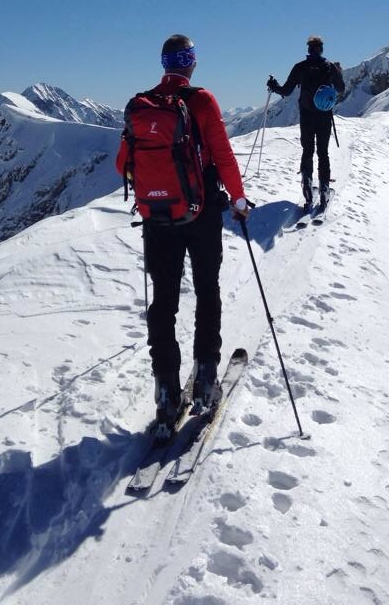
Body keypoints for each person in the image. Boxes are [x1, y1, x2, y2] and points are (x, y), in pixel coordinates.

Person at [123, 34, 249, 437]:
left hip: (157, 218)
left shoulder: (142, 104)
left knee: (163, 304)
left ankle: (165, 394)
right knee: (207, 289)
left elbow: (122, 163)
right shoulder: (202, 100)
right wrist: (239, 198)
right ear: (191, 63)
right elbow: (223, 153)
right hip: (202, 212)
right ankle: (207, 378)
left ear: (164, 64)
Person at [267, 35, 344, 208]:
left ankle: (307, 186)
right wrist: (338, 73)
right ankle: (324, 189)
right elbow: (341, 89)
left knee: (307, 151)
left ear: (308, 49)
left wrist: (274, 86)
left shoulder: (300, 67)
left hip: (306, 115)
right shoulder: (330, 67)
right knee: (323, 153)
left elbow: (286, 91)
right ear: (321, 49)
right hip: (324, 116)